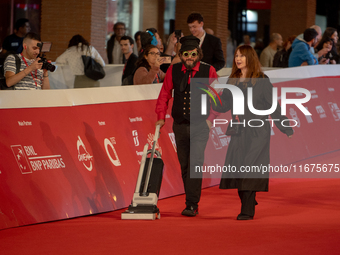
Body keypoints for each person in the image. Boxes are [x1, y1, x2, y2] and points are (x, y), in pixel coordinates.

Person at [212, 45, 293, 220]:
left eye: (242, 56)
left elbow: (274, 107)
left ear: (250, 58)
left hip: (258, 132)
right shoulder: (232, 80)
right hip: (238, 130)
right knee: (238, 169)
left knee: (249, 168)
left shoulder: (262, 80)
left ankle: (247, 210)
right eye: (236, 56)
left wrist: (285, 126)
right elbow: (223, 106)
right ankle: (249, 199)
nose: (238, 59)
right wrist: (213, 98)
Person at [155, 35, 218, 216]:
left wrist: (210, 118)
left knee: (195, 163)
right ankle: (191, 200)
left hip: (200, 125)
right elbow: (164, 94)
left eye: (192, 54)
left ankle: (191, 204)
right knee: (185, 165)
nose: (189, 57)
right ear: (180, 55)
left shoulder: (209, 70)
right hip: (180, 125)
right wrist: (161, 116)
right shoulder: (174, 71)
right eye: (185, 54)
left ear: (198, 54)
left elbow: (218, 97)